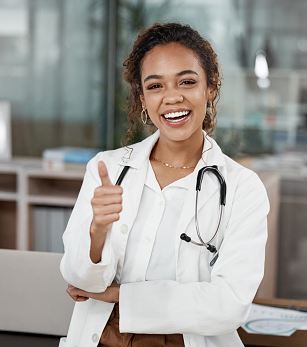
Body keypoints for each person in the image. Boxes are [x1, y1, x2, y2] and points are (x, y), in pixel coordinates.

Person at [59, 22, 269, 347]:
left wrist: (119, 296)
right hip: (101, 336)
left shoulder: (243, 188)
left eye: (187, 81)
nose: (172, 97)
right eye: (155, 86)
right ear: (142, 98)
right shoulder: (108, 169)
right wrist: (97, 231)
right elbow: (78, 282)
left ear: (210, 88)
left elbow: (229, 305)